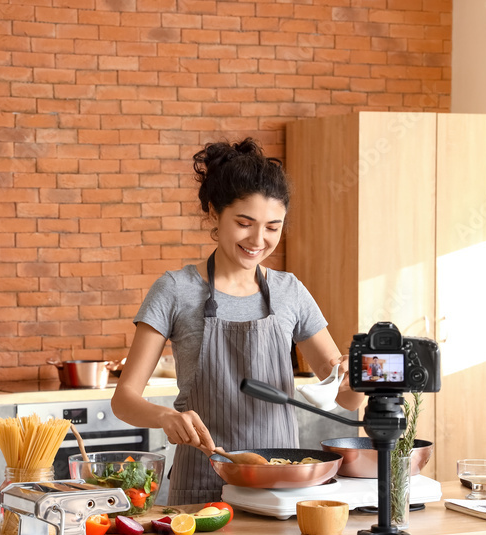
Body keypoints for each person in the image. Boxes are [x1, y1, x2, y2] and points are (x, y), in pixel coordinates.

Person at [111, 138, 365, 504]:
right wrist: (165, 416)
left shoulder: (289, 290)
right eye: (244, 223)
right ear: (214, 213)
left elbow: (347, 400)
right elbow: (124, 400)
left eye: (273, 227)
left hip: (281, 485)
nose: (258, 240)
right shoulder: (175, 290)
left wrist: (358, 375)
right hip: (202, 484)